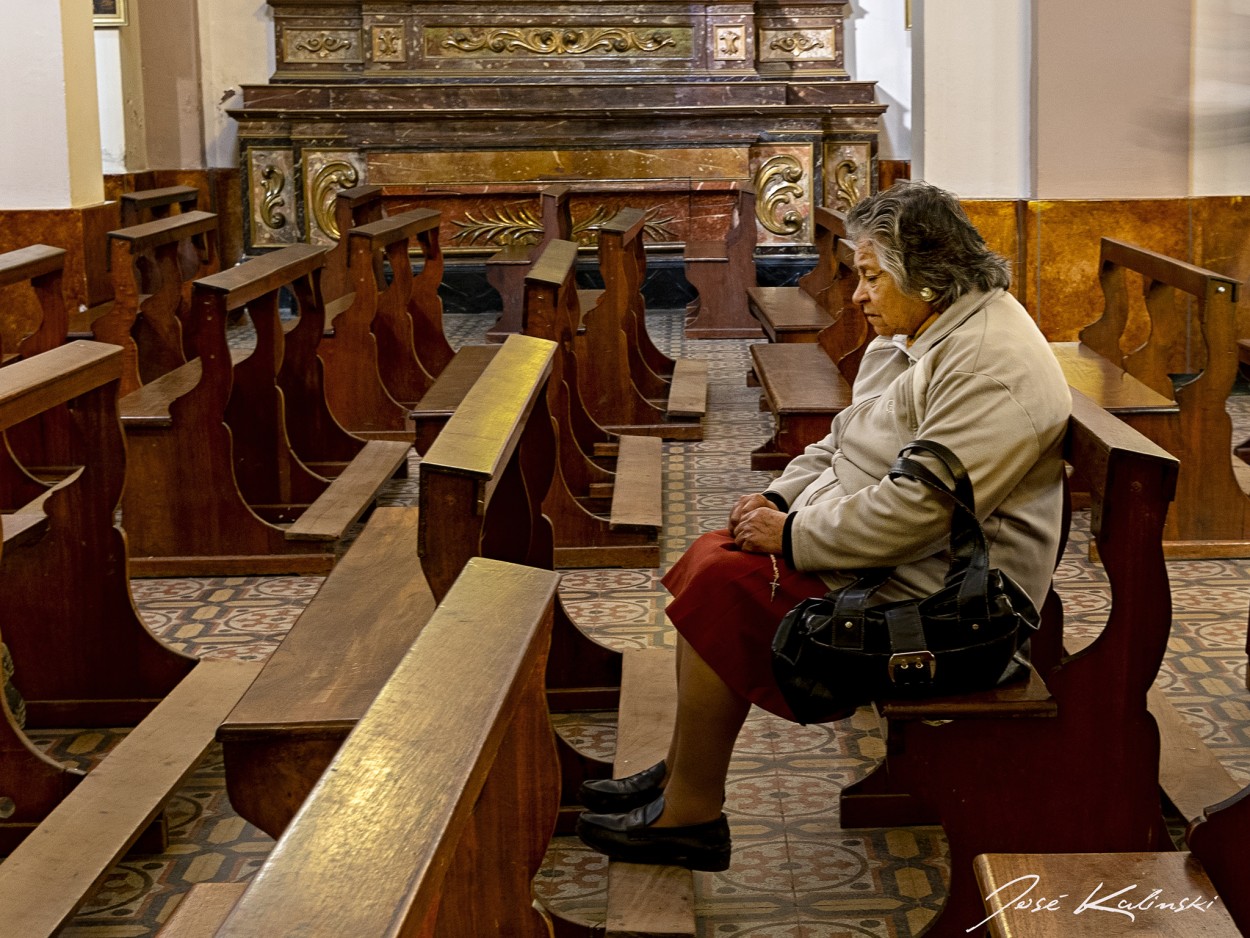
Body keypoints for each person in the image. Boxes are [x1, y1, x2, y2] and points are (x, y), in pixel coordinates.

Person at [574, 181, 1073, 872]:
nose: (858, 296)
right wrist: (777, 503)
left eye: (871, 277)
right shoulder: (918, 331)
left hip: (955, 600)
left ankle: (693, 816)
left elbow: (918, 513)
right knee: (711, 556)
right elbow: (841, 444)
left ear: (928, 275)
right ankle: (682, 773)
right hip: (890, 555)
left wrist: (795, 537)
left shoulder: (988, 363)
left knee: (724, 584)